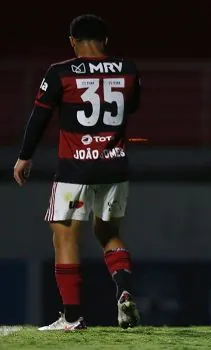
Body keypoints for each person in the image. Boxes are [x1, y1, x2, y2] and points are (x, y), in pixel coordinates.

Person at [13, 14, 141, 331]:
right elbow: (132, 106)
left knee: (65, 236)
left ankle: (71, 319)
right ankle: (123, 291)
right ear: (106, 41)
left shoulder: (60, 72)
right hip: (114, 166)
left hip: (74, 168)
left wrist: (24, 156)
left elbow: (39, 117)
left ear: (72, 40)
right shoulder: (128, 69)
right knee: (108, 234)